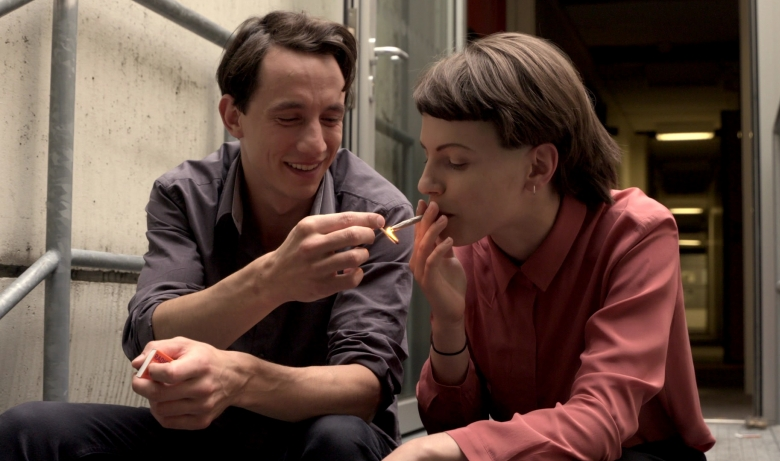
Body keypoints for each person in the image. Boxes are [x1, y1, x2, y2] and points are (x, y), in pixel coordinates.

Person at [0, 10, 413, 461]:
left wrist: (240, 378)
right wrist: (272, 279)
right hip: (209, 434)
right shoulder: (185, 193)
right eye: (289, 118)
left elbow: (365, 389)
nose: (316, 144)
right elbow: (149, 334)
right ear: (233, 116)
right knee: (29, 431)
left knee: (340, 436)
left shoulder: (380, 212)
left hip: (315, 438)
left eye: (331, 118)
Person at [384, 32, 716, 461]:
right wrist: (449, 324)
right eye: (429, 155)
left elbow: (600, 420)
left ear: (538, 166)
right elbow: (452, 428)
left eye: (456, 161)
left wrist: (432, 451)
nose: (425, 182)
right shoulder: (465, 249)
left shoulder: (637, 235)